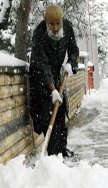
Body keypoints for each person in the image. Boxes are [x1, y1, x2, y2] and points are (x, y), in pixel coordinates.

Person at [29, 5, 79, 157]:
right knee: (47, 115)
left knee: (60, 113)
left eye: (58, 23)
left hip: (56, 75)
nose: (55, 27)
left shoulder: (68, 27)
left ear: (62, 21)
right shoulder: (39, 34)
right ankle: (53, 156)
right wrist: (52, 90)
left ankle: (62, 149)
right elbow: (41, 65)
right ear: (46, 23)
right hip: (40, 79)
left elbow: (74, 50)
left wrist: (71, 62)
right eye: (51, 24)